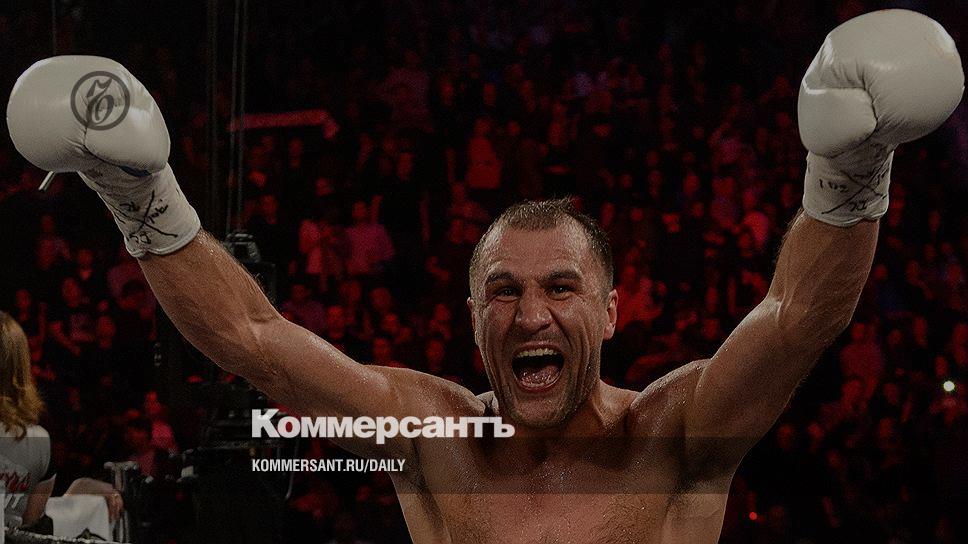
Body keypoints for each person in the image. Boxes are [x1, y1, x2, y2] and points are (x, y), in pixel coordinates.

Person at [6, 9, 963, 542]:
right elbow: (252, 339)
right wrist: (142, 196)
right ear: (473, 319)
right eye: (504, 290)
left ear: (613, 311)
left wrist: (850, 172)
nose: (530, 312)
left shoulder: (674, 436)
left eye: (560, 287)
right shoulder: (432, 439)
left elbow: (799, 316)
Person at [0, 313, 123, 531]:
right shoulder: (39, 439)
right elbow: (31, 523)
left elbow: (32, 524)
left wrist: (77, 494)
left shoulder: (39, 440)